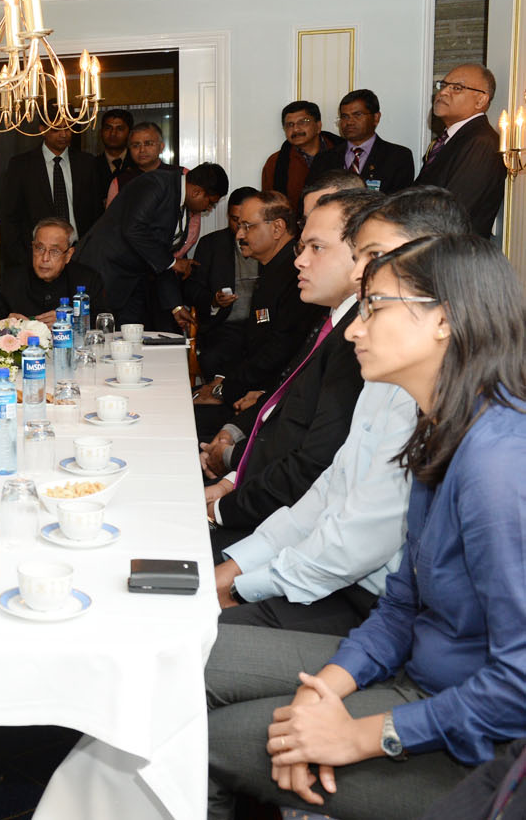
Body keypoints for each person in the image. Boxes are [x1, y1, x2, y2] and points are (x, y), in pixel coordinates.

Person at [206, 233, 526, 819]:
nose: (354, 328)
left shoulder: (498, 463)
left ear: (444, 320)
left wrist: (358, 735)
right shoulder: (444, 427)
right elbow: (403, 605)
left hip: (479, 746)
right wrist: (322, 690)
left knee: (197, 741)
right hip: (416, 675)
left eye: (375, 306)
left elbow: (519, 686)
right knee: (184, 653)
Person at [212, 187, 470, 636]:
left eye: (372, 255)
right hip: (330, 575)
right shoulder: (382, 373)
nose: (361, 272)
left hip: (365, 603)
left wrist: (241, 587)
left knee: (193, 654)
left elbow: (361, 538)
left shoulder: (438, 396)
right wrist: (236, 569)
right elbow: (329, 491)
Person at [200, 190, 376, 554]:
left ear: (364, 258)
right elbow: (283, 408)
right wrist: (234, 480)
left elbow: (314, 465)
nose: (300, 261)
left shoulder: (358, 342)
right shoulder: (330, 320)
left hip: (290, 524)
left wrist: (224, 506)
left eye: (316, 248)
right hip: (260, 491)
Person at [192, 191, 321, 420]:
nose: (240, 234)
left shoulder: (296, 278)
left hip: (271, 398)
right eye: (239, 226)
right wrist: (225, 380)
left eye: (248, 226)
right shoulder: (273, 270)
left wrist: (225, 389)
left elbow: (279, 351)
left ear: (277, 228)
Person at [72, 163, 228, 329]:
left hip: (130, 281)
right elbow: (133, 229)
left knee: (131, 342)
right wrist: (175, 263)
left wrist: (176, 306)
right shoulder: (156, 184)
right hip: (103, 271)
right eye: (210, 203)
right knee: (97, 339)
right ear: (197, 192)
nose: (208, 209)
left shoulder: (179, 201)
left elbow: (159, 252)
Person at [0, 218, 106, 336]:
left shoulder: (87, 278)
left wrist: (70, 320)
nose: (45, 258)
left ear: (69, 255)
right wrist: (5, 323)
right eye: (39, 248)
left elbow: (106, 321)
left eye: (54, 251)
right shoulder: (14, 278)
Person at [415, 63, 508, 237]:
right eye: (442, 85)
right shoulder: (447, 140)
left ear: (481, 100)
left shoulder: (482, 142)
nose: (442, 92)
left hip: (453, 253)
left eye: (457, 88)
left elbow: (453, 211)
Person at [0, 121, 100, 269]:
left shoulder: (86, 162)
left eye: (68, 129)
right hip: (38, 255)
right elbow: (9, 216)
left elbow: (96, 211)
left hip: (80, 253)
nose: (63, 134)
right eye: (57, 129)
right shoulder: (21, 165)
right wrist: (22, 258)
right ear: (43, 129)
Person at [184, 187, 260, 375]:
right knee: (214, 357)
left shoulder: (270, 244)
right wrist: (213, 300)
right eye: (235, 220)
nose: (240, 228)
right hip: (225, 326)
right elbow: (191, 288)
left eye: (247, 223)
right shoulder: (211, 244)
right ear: (227, 216)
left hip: (261, 327)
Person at [308, 89, 415, 194]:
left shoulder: (398, 157)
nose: (349, 122)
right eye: (345, 116)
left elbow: (400, 204)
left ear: (376, 117)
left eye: (357, 115)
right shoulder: (324, 159)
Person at [262, 101, 341, 212]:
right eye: (290, 125)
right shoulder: (275, 163)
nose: (296, 129)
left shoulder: (343, 153)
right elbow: (270, 207)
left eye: (303, 122)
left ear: (318, 126)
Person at [103, 121, 182, 207]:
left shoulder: (180, 175)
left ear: (161, 147)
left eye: (148, 144)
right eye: (136, 145)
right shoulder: (120, 182)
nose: (142, 150)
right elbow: (111, 218)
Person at [92, 108, 133, 204]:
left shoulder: (138, 164)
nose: (113, 133)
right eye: (108, 128)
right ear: (101, 132)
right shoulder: (91, 166)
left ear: (130, 133)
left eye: (120, 129)